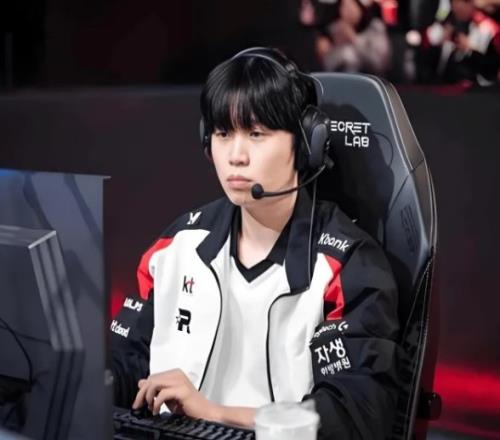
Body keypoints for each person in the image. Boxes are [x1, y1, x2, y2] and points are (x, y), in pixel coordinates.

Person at [110, 47, 401, 439]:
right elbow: (127, 360)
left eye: (257, 134)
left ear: (305, 143)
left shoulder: (348, 266)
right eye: (223, 133)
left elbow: (354, 416)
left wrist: (213, 413)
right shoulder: (175, 246)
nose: (236, 155)